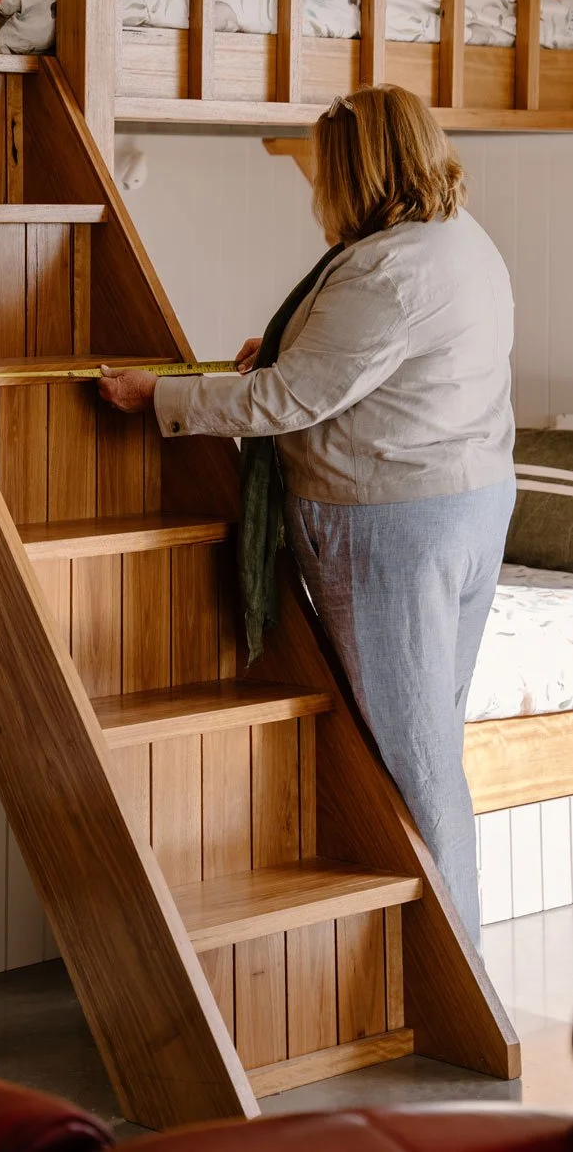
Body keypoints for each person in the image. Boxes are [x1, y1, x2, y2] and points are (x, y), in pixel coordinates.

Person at [99, 84, 516, 947]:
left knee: (416, 758)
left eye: (323, 169)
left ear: (360, 169)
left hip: (393, 522)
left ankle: (454, 971)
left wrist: (163, 398)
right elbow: (359, 363)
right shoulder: (457, 242)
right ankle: (446, 952)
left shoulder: (385, 268)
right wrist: (288, 347)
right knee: (429, 735)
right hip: (469, 504)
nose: (314, 186)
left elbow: (293, 398)